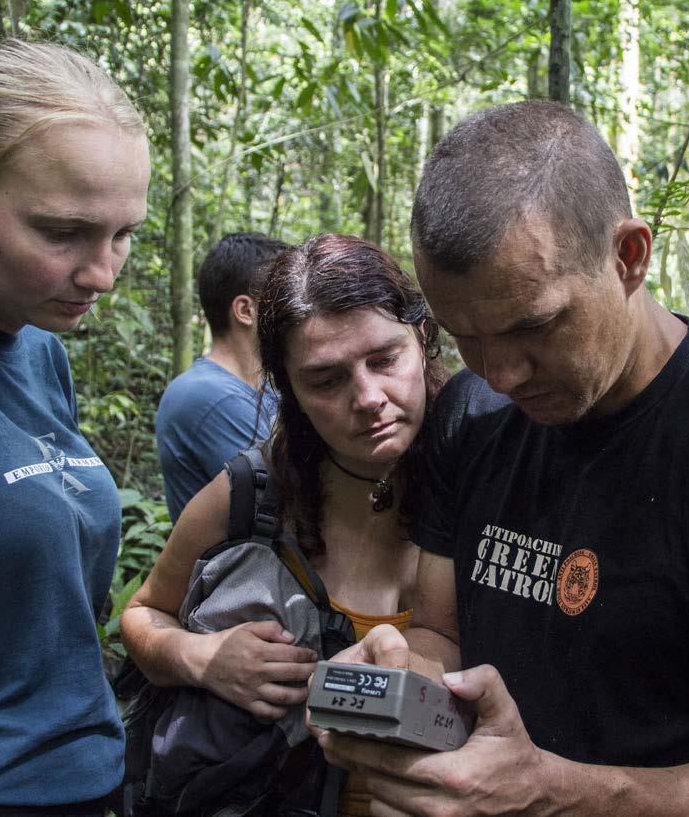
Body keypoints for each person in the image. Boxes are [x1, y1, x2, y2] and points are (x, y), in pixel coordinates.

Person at [313, 100, 689, 815]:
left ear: (628, 257)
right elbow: (442, 631)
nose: (500, 374)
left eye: (533, 326)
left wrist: (552, 792)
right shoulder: (470, 414)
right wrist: (402, 679)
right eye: (464, 337)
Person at [0, 39, 150, 813]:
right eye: (63, 232)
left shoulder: (41, 352)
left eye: (122, 234)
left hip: (91, 771)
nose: (102, 272)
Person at [121, 233, 446, 816]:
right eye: (326, 381)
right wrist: (202, 658)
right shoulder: (252, 493)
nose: (368, 397)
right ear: (288, 391)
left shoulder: (496, 472)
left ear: (422, 339)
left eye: (385, 359)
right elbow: (143, 614)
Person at [155, 232, 288, 524]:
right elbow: (293, 500)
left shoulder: (261, 386)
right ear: (245, 310)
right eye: (282, 298)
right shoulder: (209, 395)